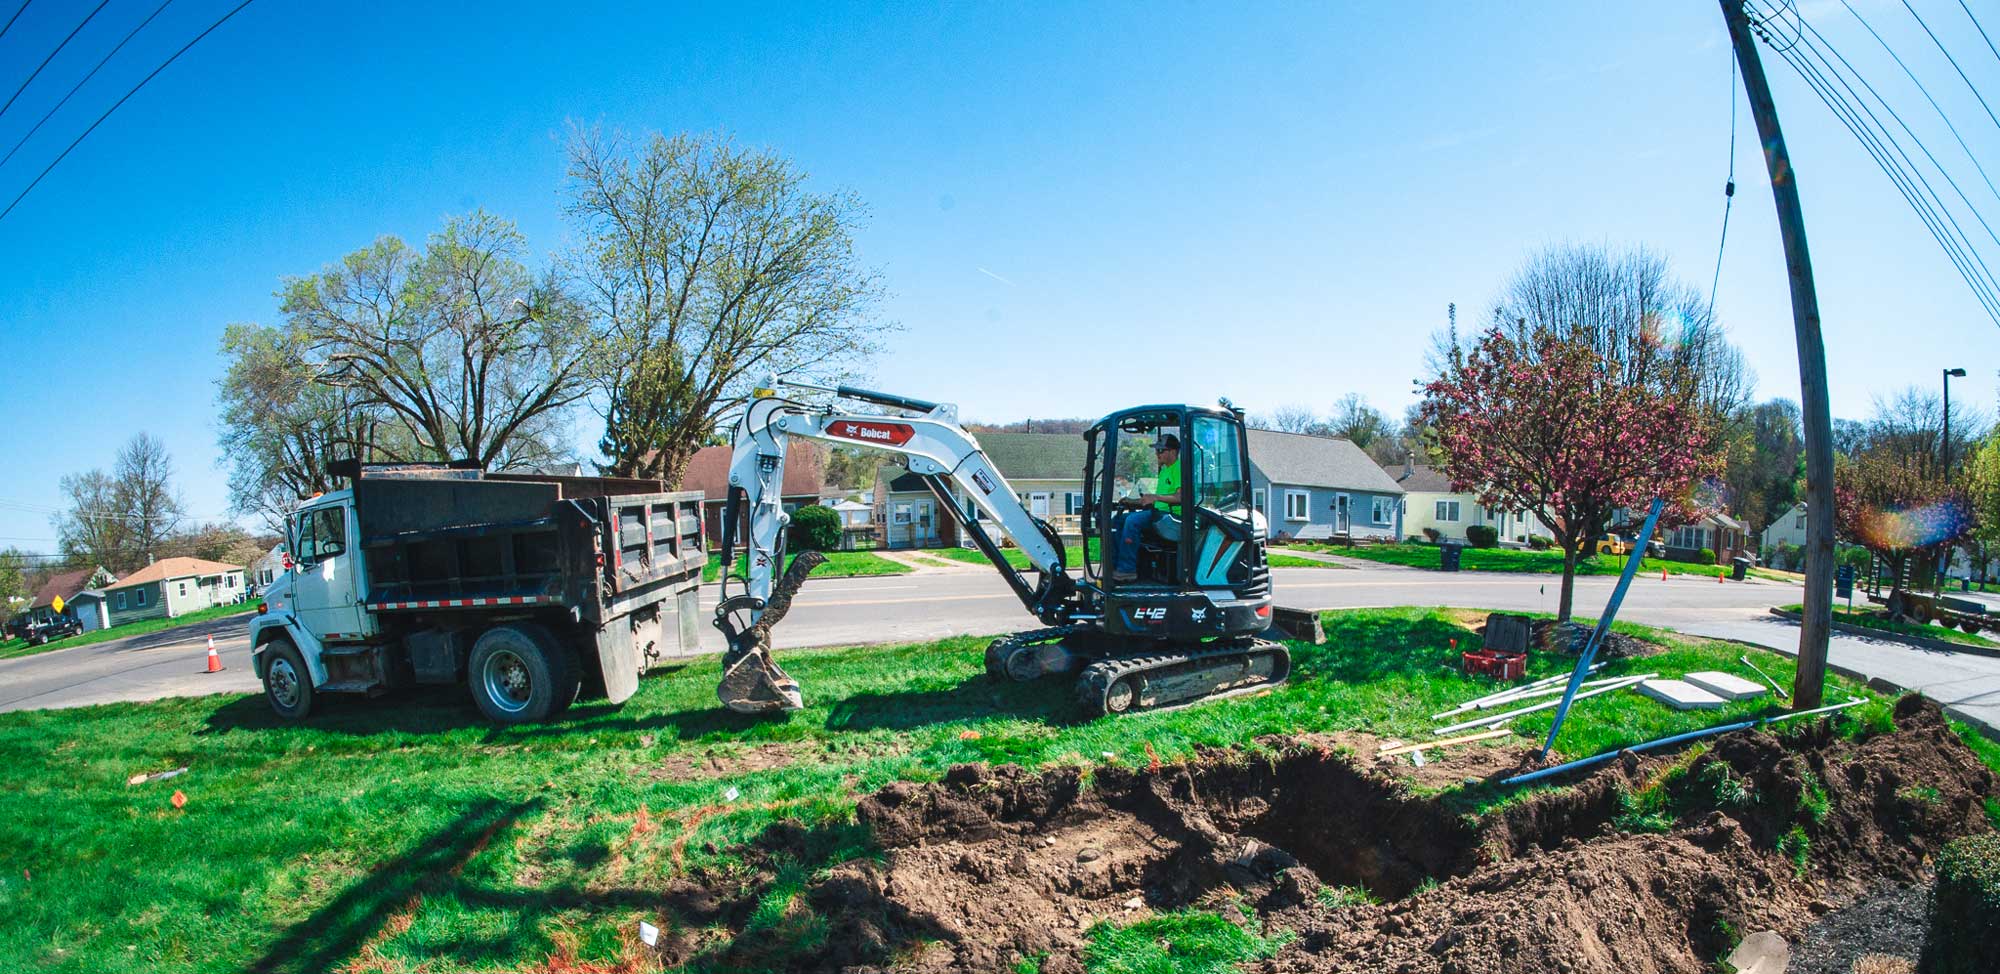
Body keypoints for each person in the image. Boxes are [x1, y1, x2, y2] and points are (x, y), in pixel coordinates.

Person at [1111, 434, 1181, 582]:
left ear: (1173, 452)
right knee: (1117, 520)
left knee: (1132, 521)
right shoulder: (1165, 470)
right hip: (1158, 512)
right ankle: (1116, 565)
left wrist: (1155, 497)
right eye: (1157, 451)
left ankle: (1127, 570)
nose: (1157, 454)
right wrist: (1132, 501)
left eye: (1161, 450)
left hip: (1172, 517)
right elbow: (1155, 499)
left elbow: (1180, 498)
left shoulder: (1179, 469)